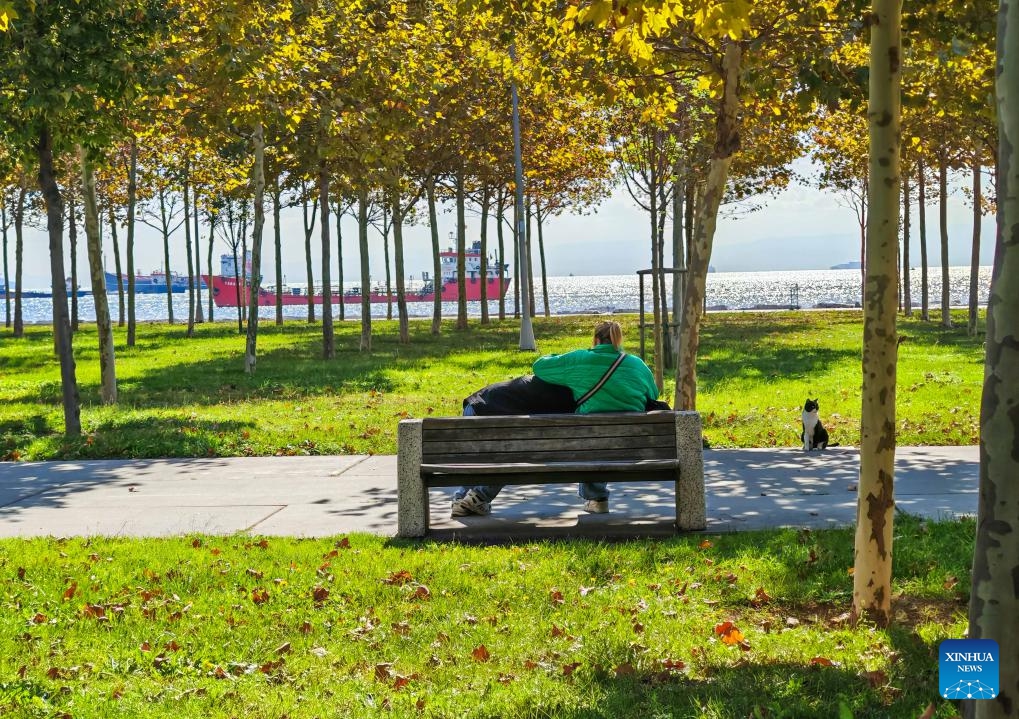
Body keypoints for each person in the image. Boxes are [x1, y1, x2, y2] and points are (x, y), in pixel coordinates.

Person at [451, 320, 659, 518]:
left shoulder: (581, 359)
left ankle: (469, 496)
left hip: (583, 441)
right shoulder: (637, 365)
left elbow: (540, 366)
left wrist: (561, 356)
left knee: (583, 438)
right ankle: (597, 497)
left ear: (595, 340)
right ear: (618, 340)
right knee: (594, 440)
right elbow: (653, 393)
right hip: (626, 446)